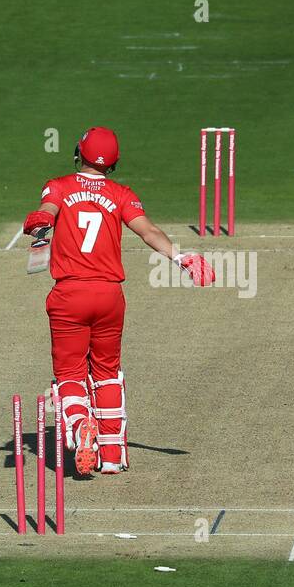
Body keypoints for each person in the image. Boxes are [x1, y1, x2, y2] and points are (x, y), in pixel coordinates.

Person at [22, 127, 214, 475]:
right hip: (110, 296)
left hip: (69, 295)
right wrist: (183, 259)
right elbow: (149, 231)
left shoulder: (59, 185)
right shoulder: (121, 193)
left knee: (70, 372)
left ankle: (81, 429)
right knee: (107, 371)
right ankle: (112, 455)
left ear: (77, 152)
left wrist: (41, 223)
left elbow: (47, 209)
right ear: (115, 162)